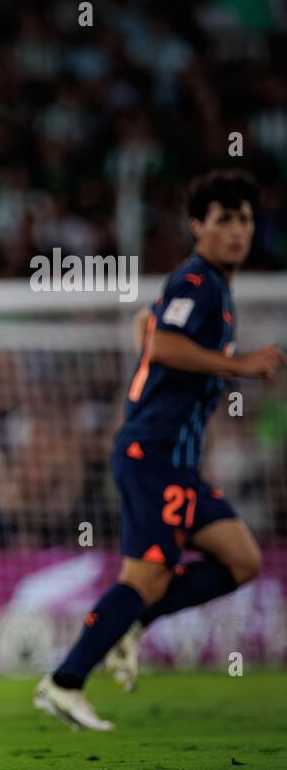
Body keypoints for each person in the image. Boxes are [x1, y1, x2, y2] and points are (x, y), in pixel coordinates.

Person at [34, 171, 285, 729]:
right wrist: (237, 363)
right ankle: (63, 681)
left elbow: (147, 323)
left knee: (242, 559)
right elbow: (165, 341)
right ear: (199, 226)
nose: (237, 231)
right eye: (223, 219)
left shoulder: (210, 290)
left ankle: (133, 625)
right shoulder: (199, 283)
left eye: (244, 219)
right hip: (154, 455)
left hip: (177, 463)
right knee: (145, 576)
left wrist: (153, 332)